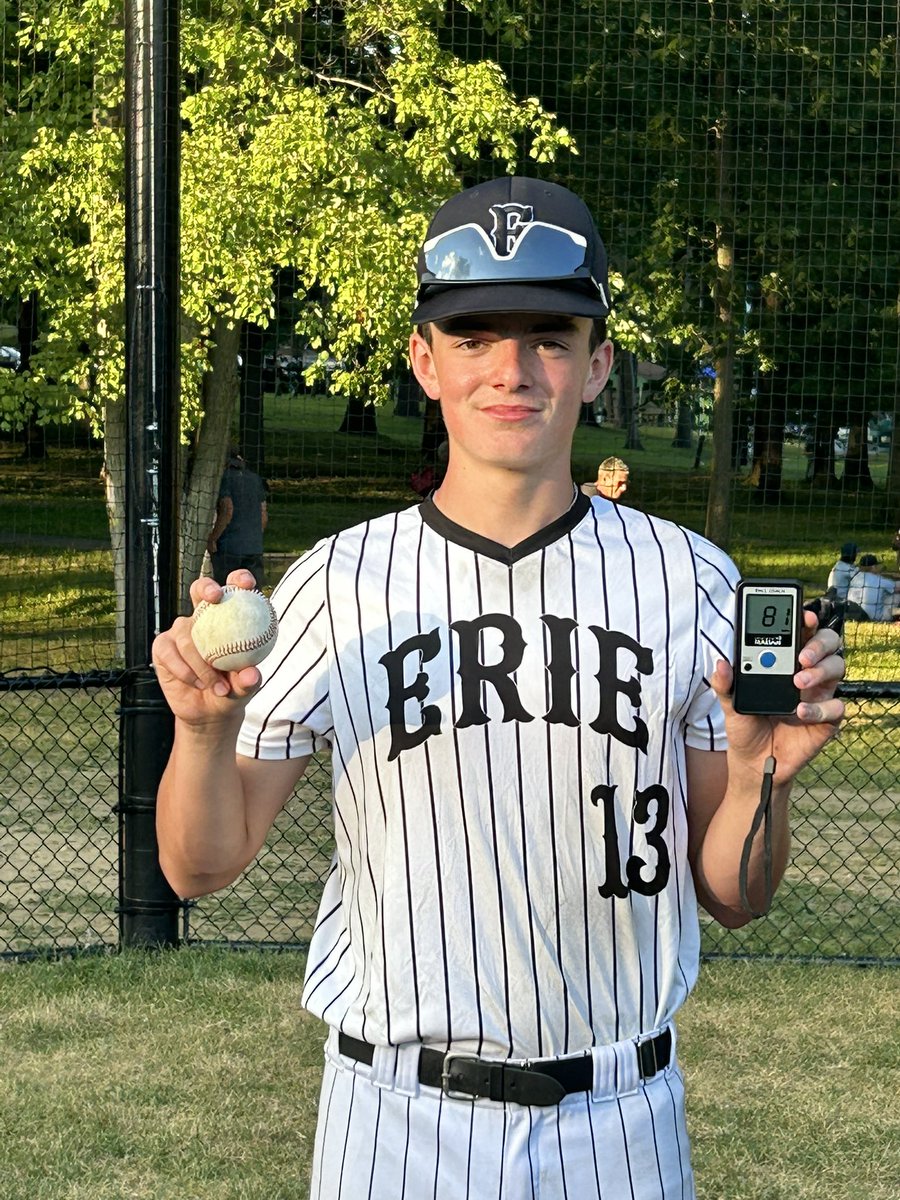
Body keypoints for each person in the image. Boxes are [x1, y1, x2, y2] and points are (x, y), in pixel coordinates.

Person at [152, 176, 845, 1199]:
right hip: (394, 1119)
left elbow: (736, 898)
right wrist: (205, 735)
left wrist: (758, 777)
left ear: (599, 363)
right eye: (474, 337)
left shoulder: (691, 579)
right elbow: (197, 869)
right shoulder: (341, 582)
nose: (512, 369)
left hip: (620, 1118)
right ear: (426, 362)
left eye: (550, 337)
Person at [207, 449, 268, 588]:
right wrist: (254, 536)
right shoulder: (255, 479)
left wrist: (213, 538)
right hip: (254, 549)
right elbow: (263, 514)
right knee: (254, 596)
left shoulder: (224, 478)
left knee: (227, 597)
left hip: (228, 549)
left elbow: (227, 509)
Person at [846, 554, 899, 622]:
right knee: (897, 594)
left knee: (883, 591)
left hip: (854, 614)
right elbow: (896, 589)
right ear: (873, 567)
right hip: (875, 617)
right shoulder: (879, 580)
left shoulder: (854, 578)